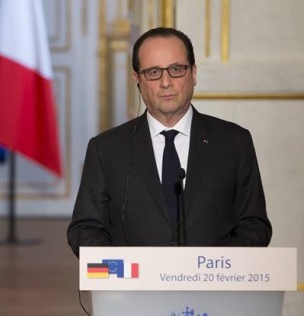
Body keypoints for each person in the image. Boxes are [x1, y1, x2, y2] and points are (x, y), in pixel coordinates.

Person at [67, 27, 271, 257]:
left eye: (176, 69)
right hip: (133, 289)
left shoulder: (234, 142)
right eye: (153, 72)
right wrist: (122, 270)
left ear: (193, 73)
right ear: (137, 80)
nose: (166, 82)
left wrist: (216, 269)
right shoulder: (106, 149)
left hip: (212, 287)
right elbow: (85, 228)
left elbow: (255, 225)